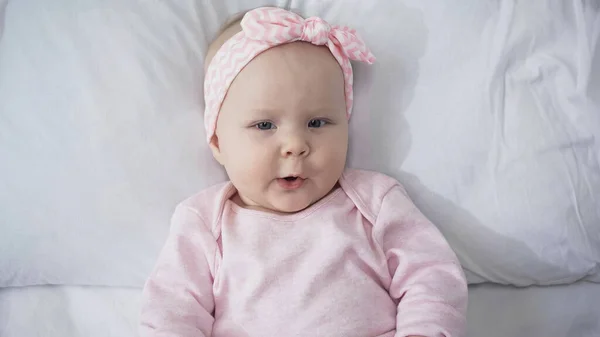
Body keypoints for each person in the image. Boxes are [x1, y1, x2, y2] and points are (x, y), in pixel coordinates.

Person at [139, 6, 467, 337]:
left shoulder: (374, 203)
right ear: (218, 142)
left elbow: (432, 275)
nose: (295, 144)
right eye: (264, 125)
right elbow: (171, 313)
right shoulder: (205, 222)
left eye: (317, 122)